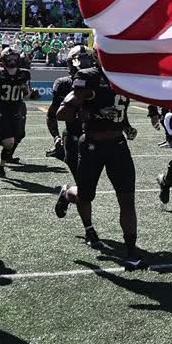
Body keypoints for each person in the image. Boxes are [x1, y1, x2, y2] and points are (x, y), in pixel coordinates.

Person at [52, 46, 144, 268]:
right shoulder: (90, 78)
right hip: (92, 145)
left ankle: (131, 251)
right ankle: (68, 195)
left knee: (127, 199)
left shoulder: (126, 78)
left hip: (118, 145)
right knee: (85, 195)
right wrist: (87, 112)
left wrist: (126, 125)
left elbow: (118, 108)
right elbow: (61, 113)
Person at [0, 48, 32, 163]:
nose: (12, 61)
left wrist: (27, 91)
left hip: (17, 106)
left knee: (19, 133)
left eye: (14, 58)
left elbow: (26, 94)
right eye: (9, 58)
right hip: (1, 108)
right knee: (10, 137)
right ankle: (3, 153)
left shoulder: (24, 73)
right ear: (3, 60)